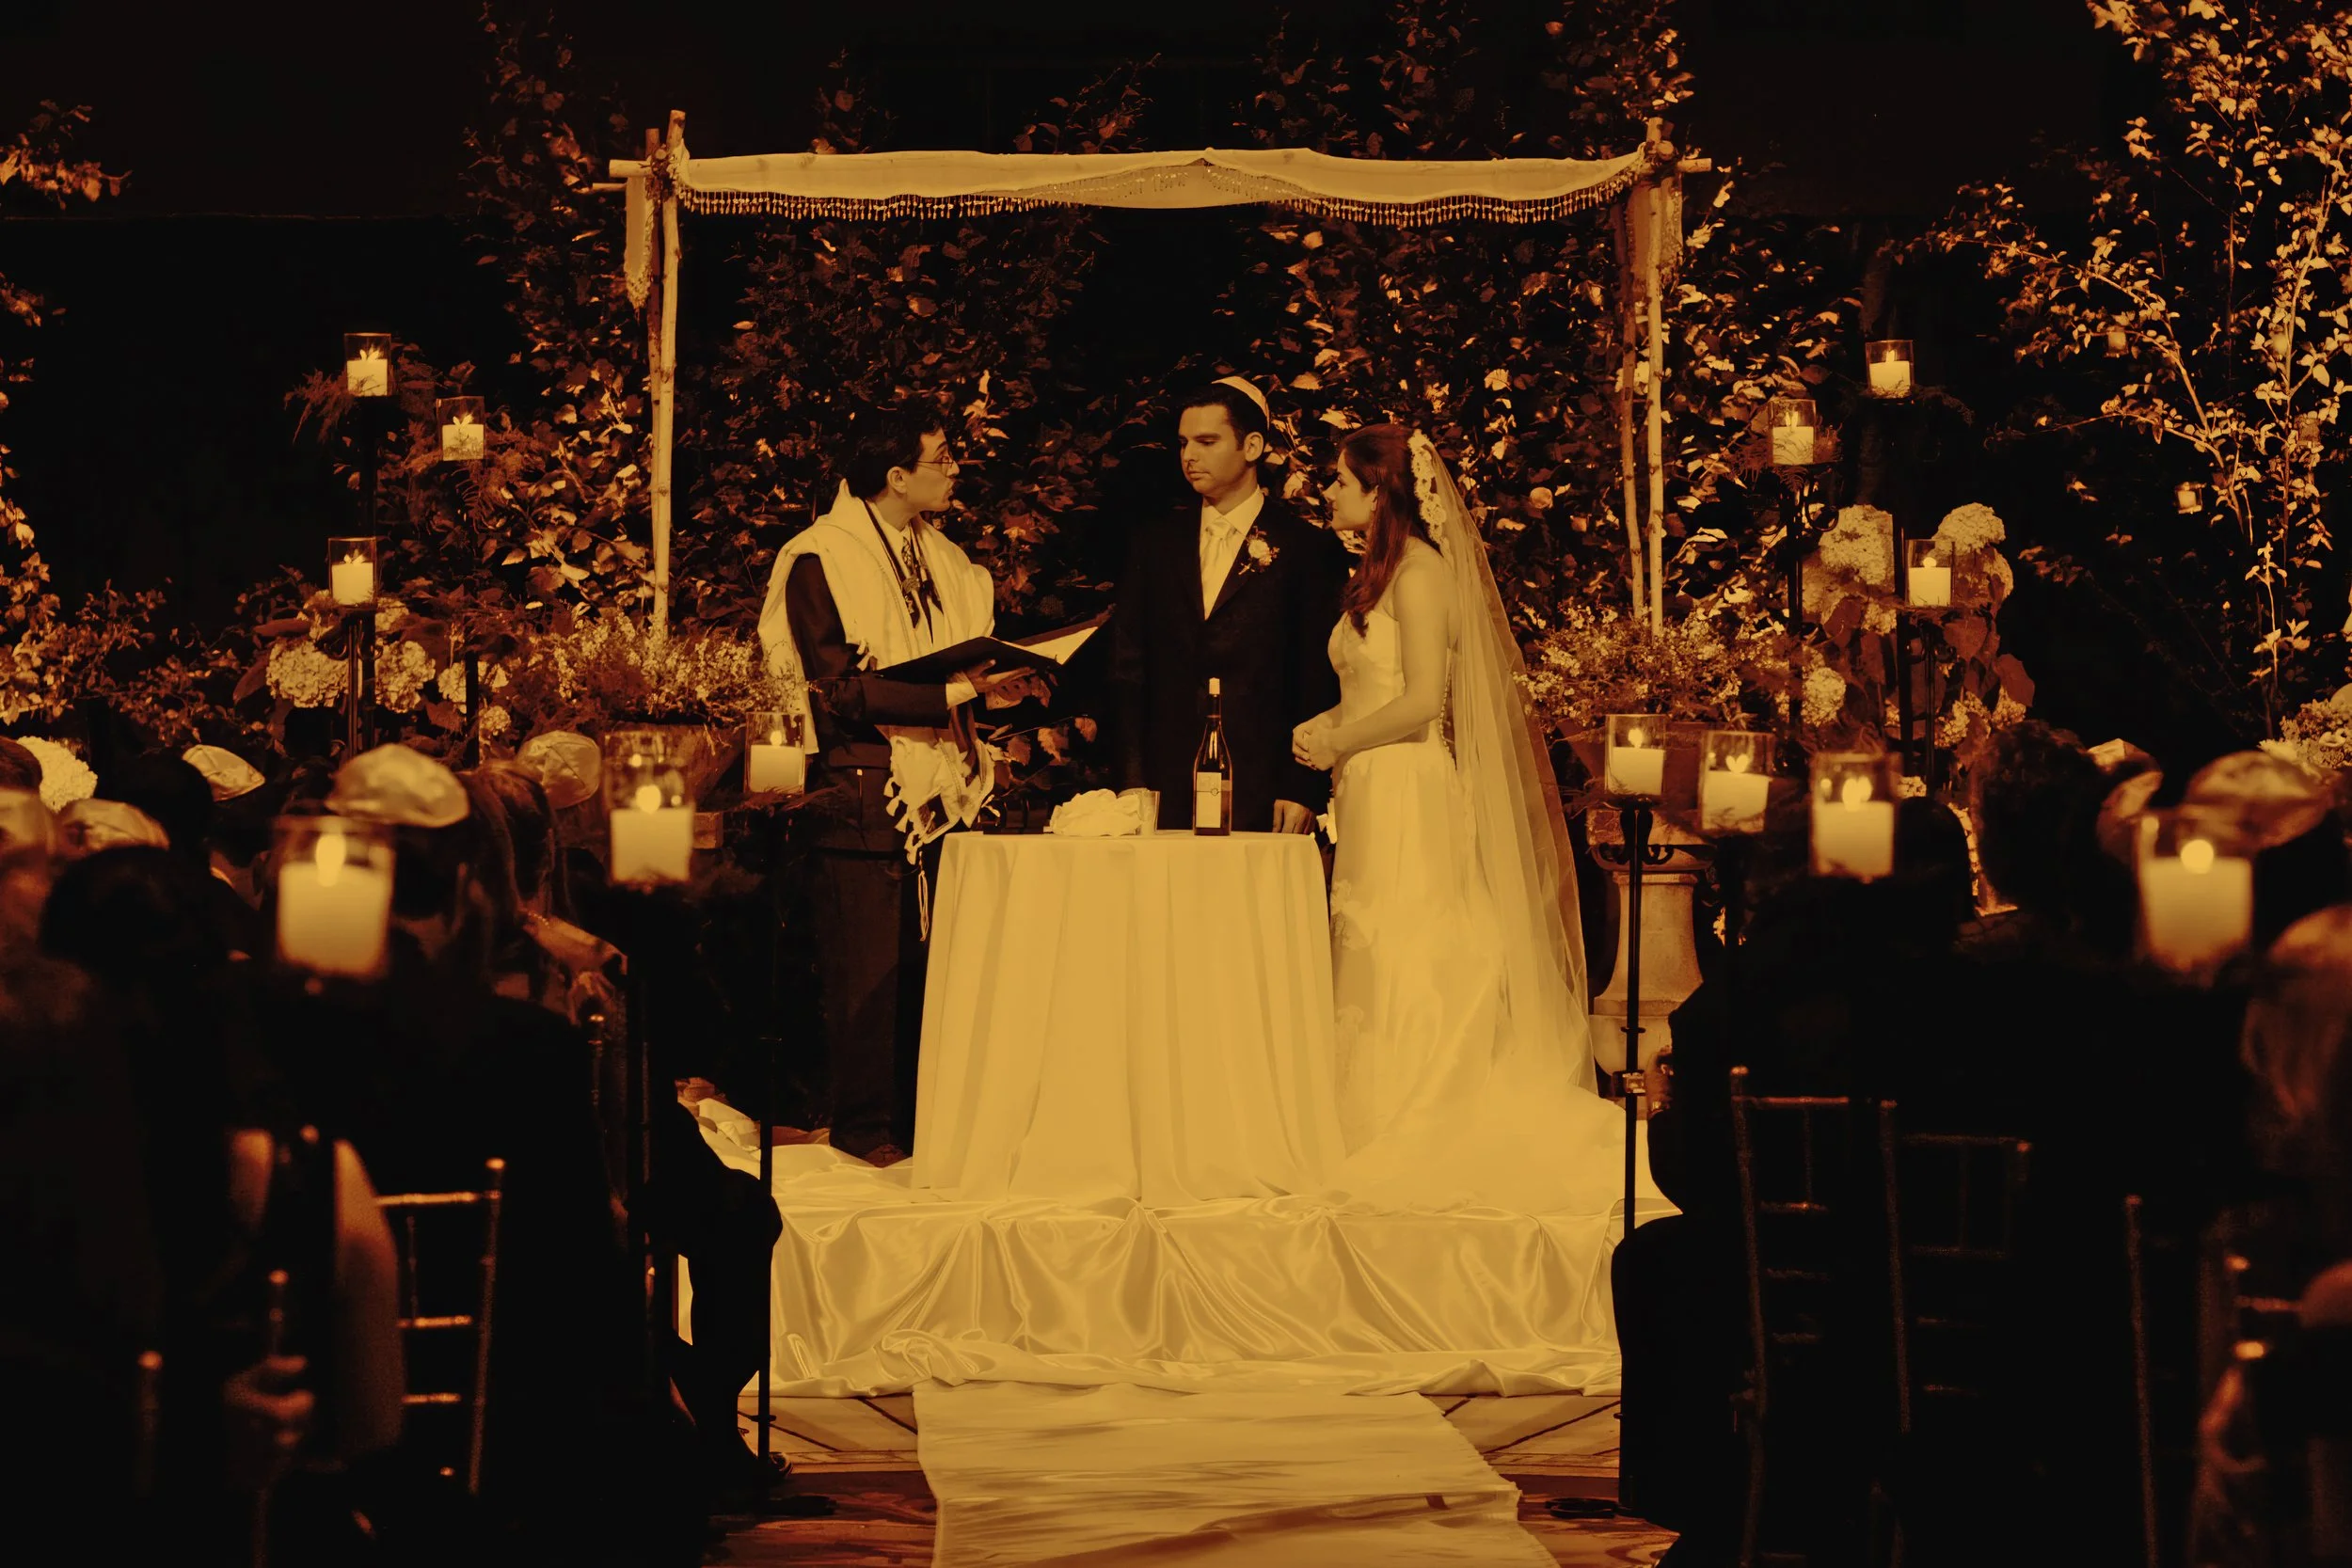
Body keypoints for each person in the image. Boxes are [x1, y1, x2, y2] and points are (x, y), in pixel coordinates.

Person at [1287, 423, 1624, 1212]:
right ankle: (1360, 1108)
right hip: (1370, 785)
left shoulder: (1422, 573)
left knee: (1413, 937)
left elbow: (1418, 702)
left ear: (1379, 492)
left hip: (1408, 784)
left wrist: (1340, 736)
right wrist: (1326, 726)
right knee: (1369, 938)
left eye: (1339, 481)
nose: (1328, 493)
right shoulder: (1374, 576)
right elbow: (1371, 688)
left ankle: (1419, 1102)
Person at [755, 403, 1029, 1166]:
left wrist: (991, 686)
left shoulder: (940, 557)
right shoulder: (821, 555)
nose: (953, 470)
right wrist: (952, 694)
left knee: (933, 968)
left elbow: (949, 663)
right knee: (868, 970)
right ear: (896, 474)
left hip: (945, 778)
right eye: (940, 459)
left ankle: (926, 1125)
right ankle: (864, 1133)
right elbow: (834, 688)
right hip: (865, 779)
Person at [1112, 377, 1350, 834]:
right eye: (1183, 443)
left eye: (1206, 441)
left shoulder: (1306, 548)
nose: (1189, 456)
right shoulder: (1154, 544)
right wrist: (1132, 780)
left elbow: (1316, 676)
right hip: (1165, 784)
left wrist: (1302, 786)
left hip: (1262, 782)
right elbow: (1128, 666)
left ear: (1253, 445)